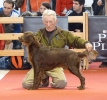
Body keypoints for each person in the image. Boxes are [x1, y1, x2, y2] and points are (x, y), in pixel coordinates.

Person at [22, 9, 93, 89]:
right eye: (46, 22)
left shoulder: (63, 34)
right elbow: (31, 41)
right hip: (41, 65)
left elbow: (75, 40)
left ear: (56, 21)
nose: (48, 24)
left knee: (61, 84)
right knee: (26, 84)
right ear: (43, 22)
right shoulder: (39, 34)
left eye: (51, 21)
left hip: (55, 65)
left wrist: (86, 43)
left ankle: (47, 80)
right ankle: (44, 79)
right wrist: (25, 42)